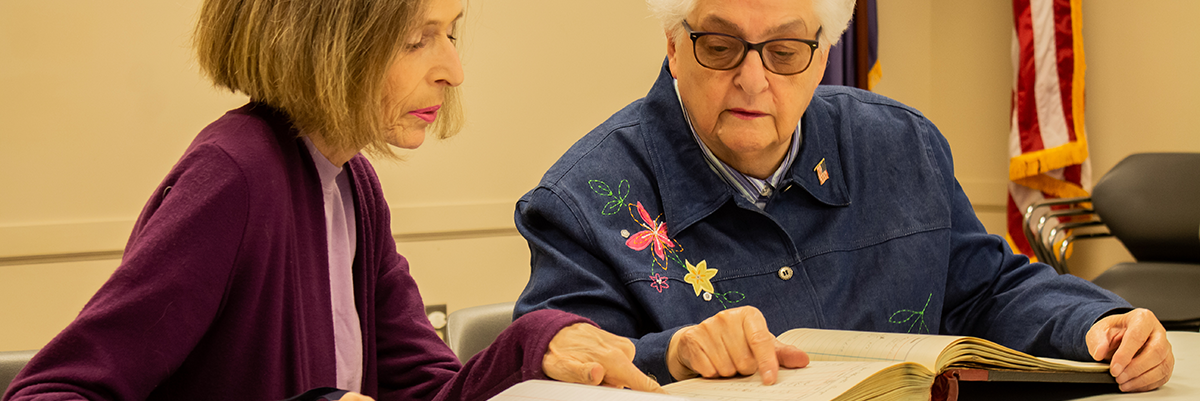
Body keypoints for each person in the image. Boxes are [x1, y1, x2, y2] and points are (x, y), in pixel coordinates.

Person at [1, 0, 663, 400]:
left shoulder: (350, 184)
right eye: (416, 38)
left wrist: (538, 341)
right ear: (327, 41)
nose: (453, 69)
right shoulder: (234, 174)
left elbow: (428, 389)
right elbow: (53, 389)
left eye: (451, 31)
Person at [513, 0, 1173, 393]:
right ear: (672, 44)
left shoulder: (899, 147)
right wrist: (677, 351)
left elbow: (985, 287)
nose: (752, 79)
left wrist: (1094, 323)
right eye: (718, 46)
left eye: (785, 50)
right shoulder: (582, 200)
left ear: (824, 51)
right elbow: (549, 373)